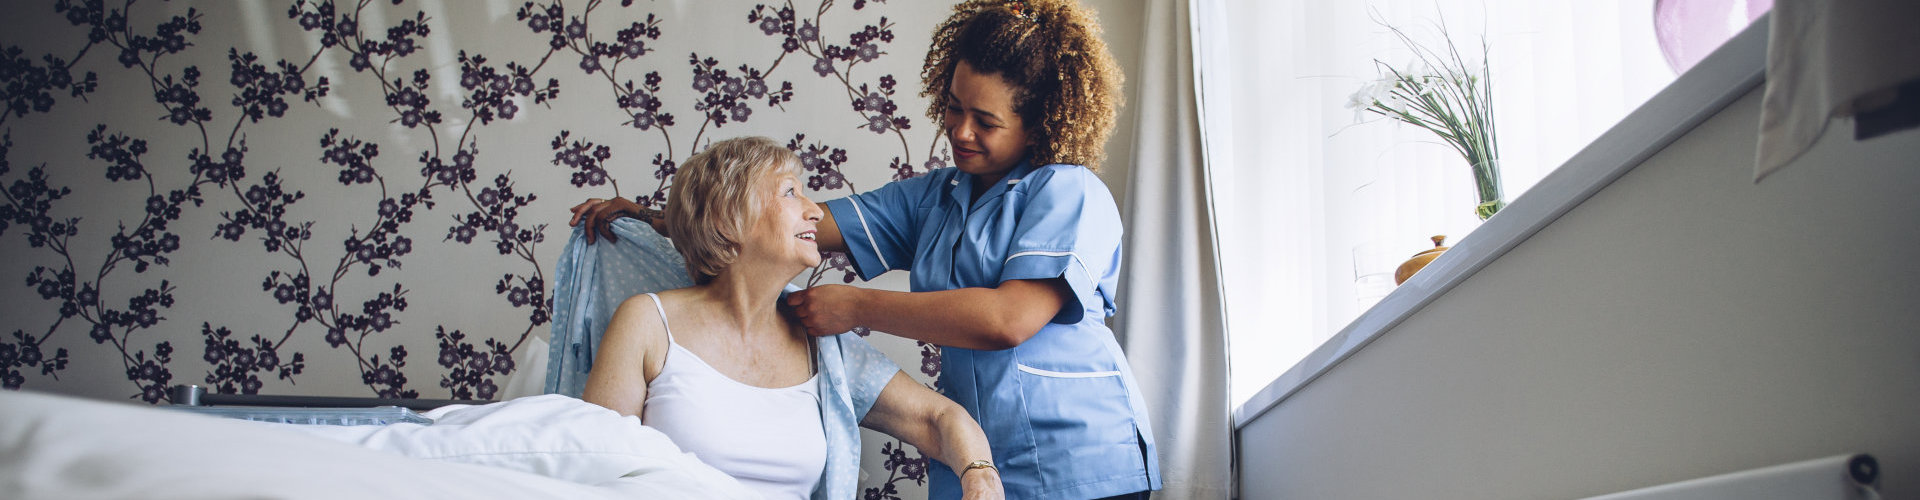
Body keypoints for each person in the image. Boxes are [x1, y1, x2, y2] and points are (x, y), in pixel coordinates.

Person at [570, 1, 1159, 498]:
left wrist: (855, 307)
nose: (960, 131)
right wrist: (659, 217)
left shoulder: (1068, 191)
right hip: (981, 461)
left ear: (1038, 125)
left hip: (1079, 460)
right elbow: (779, 223)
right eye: (954, 108)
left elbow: (1008, 320)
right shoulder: (933, 199)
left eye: (985, 120)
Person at [576, 137, 1003, 500]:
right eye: (789, 192)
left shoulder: (822, 344)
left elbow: (938, 418)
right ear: (729, 217)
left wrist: (979, 474)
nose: (815, 210)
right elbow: (593, 472)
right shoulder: (648, 322)